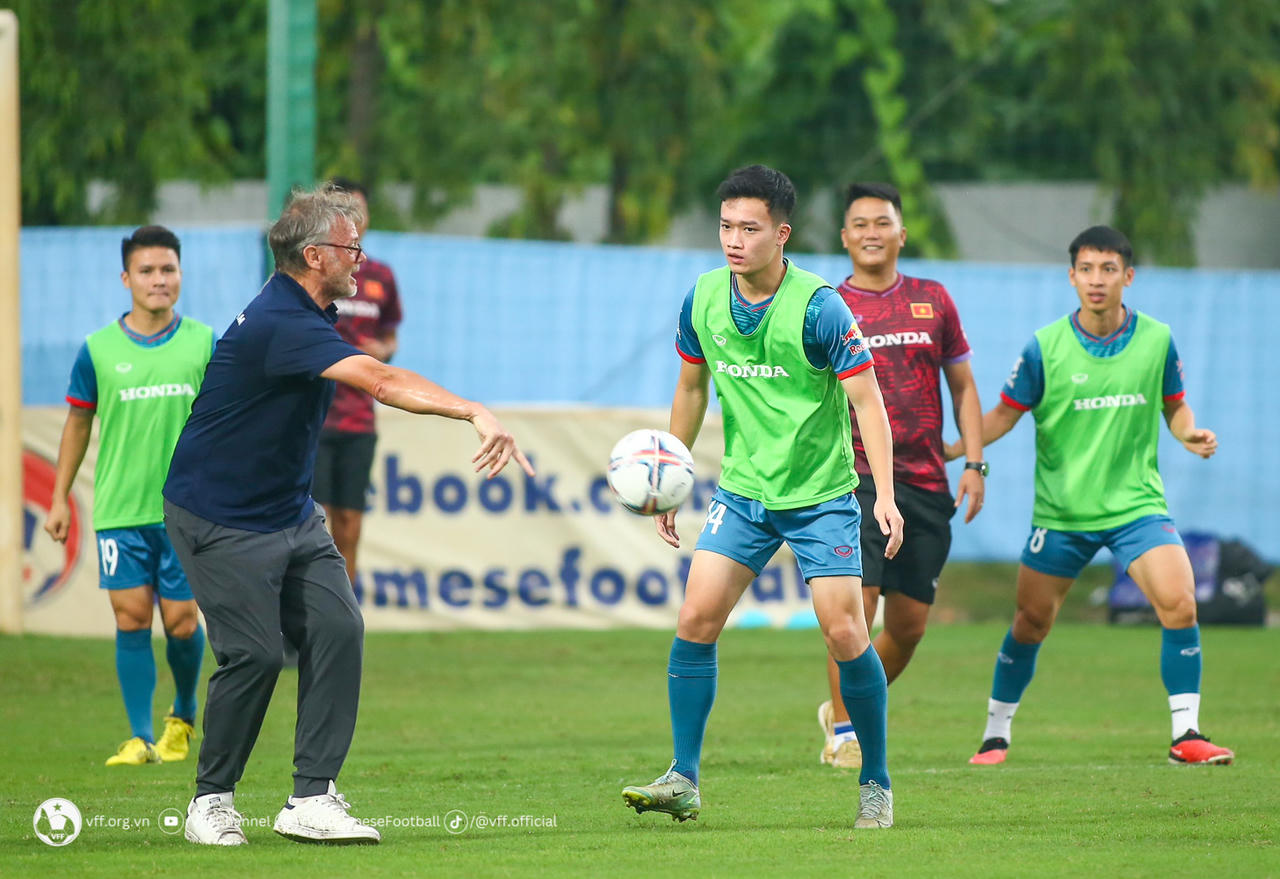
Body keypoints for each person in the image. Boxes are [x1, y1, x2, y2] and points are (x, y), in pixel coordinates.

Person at [163, 184, 534, 846]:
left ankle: (311, 796)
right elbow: (383, 382)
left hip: (288, 513)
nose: (360, 255)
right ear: (314, 254)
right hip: (219, 514)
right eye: (350, 245)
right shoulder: (282, 319)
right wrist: (474, 410)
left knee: (338, 624)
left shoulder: (310, 313)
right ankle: (211, 801)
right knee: (253, 652)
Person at [620, 165, 905, 830]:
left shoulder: (819, 307)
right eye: (725, 226)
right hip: (745, 491)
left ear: (782, 233)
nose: (734, 239)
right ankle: (683, 778)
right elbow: (691, 388)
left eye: (749, 228)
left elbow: (868, 401)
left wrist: (882, 495)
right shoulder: (702, 300)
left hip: (821, 494)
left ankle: (875, 780)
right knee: (695, 619)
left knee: (844, 630)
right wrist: (670, 477)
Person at [946, 225, 1234, 767]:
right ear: (1072, 276)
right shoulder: (1045, 347)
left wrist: (1188, 432)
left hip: (1136, 508)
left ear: (1128, 276)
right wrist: (954, 450)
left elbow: (1175, 405)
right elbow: (1005, 414)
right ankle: (995, 734)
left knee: (1181, 602)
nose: (1097, 280)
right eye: (1086, 269)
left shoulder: (1157, 339)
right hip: (1061, 514)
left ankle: (1187, 734)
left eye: (1108, 269)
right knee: (1030, 622)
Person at [817, 183, 986, 770]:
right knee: (854, 611)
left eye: (881, 222)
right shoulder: (827, 305)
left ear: (900, 233)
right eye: (859, 223)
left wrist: (975, 462)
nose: (871, 232)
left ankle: (852, 703)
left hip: (925, 480)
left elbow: (963, 387)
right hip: (852, 477)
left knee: (909, 625)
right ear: (845, 237)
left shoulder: (933, 299)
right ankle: (843, 731)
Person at [44, 225, 213, 767]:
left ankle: (183, 715)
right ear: (126, 278)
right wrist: (57, 498)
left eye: (168, 270)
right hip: (120, 509)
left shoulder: (205, 343)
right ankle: (140, 738)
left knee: (183, 620)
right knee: (130, 617)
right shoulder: (97, 350)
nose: (158, 280)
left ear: (180, 275)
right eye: (147, 271)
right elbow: (77, 422)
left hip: (187, 509)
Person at [313, 177, 401, 587]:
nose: (354, 220)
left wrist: (381, 352)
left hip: (358, 420)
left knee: (349, 523)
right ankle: (300, 625)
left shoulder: (380, 275)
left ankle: (343, 617)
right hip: (313, 418)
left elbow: (389, 336)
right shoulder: (310, 272)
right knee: (310, 526)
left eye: (359, 211)